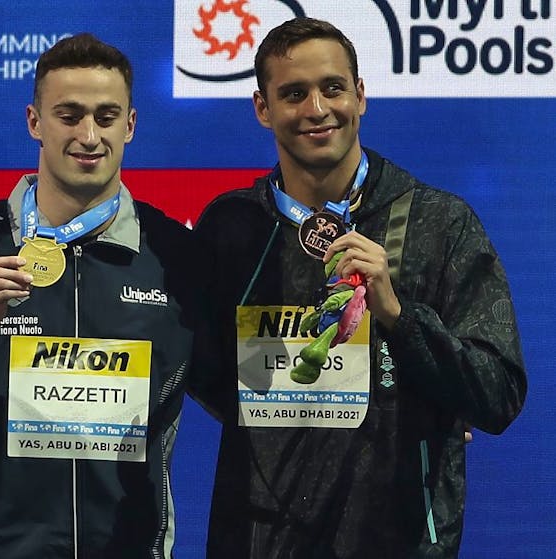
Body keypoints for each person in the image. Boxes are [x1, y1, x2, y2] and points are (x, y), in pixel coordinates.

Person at [190, 17, 527, 558]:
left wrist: (399, 317)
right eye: (293, 94)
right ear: (262, 108)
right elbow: (205, 373)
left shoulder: (440, 224)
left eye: (333, 88)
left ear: (360, 95)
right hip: (259, 540)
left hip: (397, 541)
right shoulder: (230, 228)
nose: (317, 109)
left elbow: (498, 393)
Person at [0, 33, 202, 558]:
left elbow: (246, 395)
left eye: (106, 116)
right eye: (69, 116)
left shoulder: (175, 256)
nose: (89, 136)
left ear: (130, 125)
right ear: (34, 122)